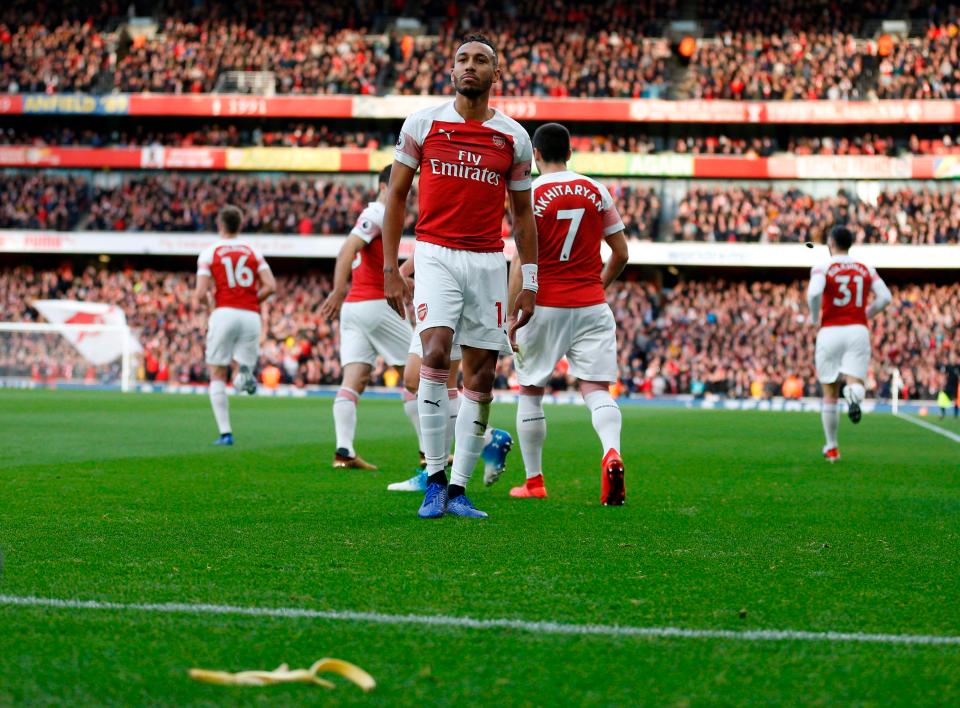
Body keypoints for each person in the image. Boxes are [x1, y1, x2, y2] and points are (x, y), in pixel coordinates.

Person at [382, 33, 539, 519]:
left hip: (489, 261)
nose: (469, 66)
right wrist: (391, 267)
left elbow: (524, 215)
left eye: (480, 61)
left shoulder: (513, 137)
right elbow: (396, 196)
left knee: (483, 375)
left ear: (496, 74)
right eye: (462, 60)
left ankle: (458, 488)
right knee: (433, 351)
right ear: (452, 71)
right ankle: (432, 477)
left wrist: (529, 281)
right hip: (435, 253)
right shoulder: (423, 123)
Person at [507, 123, 630, 504]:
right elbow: (622, 253)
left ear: (536, 156)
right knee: (596, 390)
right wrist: (599, 284)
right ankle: (611, 452)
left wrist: (512, 314)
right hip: (591, 304)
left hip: (544, 305)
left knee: (530, 390)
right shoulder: (595, 190)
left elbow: (521, 259)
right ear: (571, 154)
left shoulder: (531, 192)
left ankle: (534, 481)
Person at [386, 252, 514, 492]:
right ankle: (480, 444)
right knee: (422, 380)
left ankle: (443, 468)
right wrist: (403, 270)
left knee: (426, 378)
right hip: (437, 273)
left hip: (455, 278)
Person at [320, 166, 413, 470]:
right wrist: (336, 290)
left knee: (354, 379)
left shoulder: (377, 215)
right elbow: (347, 250)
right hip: (377, 305)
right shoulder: (377, 212)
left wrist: (399, 276)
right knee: (418, 376)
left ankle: (343, 451)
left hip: (355, 309)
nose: (407, 193)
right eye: (403, 185)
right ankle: (431, 453)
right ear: (385, 186)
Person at [807, 225, 891, 461]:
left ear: (830, 244)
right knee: (855, 382)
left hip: (830, 330)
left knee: (829, 391)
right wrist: (867, 313)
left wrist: (815, 318)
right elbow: (885, 297)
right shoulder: (865, 268)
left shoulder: (823, 267)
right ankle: (853, 393)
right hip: (857, 329)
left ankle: (832, 447)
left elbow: (814, 294)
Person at [194, 205, 276, 445]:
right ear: (240, 225)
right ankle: (246, 373)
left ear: (220, 225)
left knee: (217, 372)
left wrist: (210, 305)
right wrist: (251, 300)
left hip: (224, 313)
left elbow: (200, 293)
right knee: (243, 368)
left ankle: (225, 433)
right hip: (251, 316)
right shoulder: (253, 251)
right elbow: (270, 285)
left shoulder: (210, 252)